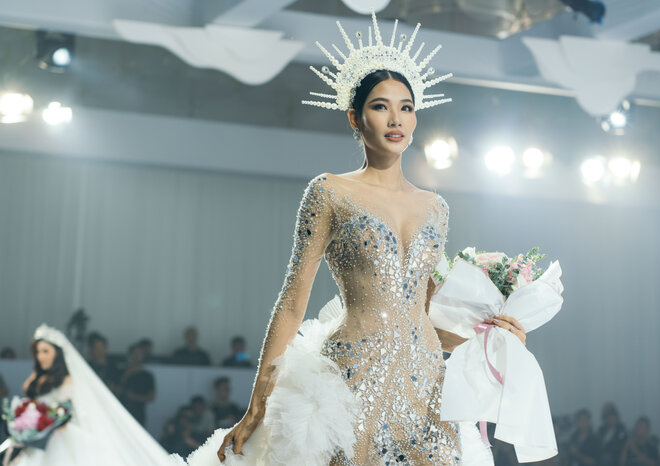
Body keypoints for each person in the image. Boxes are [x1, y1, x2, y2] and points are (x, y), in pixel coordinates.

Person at [188, 11, 527, 466]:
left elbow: (422, 313)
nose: (396, 118)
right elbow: (292, 303)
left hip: (427, 382)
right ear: (355, 117)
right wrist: (257, 405)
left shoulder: (436, 207)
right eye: (380, 106)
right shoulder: (329, 192)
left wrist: (492, 342)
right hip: (352, 377)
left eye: (406, 107)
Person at [7, 325, 172, 466]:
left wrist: (45, 422)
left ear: (57, 353)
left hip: (60, 437)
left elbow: (69, 410)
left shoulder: (68, 379)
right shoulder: (38, 379)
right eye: (37, 351)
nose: (40, 356)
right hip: (40, 439)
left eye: (45, 351)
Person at [118, 343, 155, 426]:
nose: (136, 356)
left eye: (139, 353)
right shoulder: (121, 372)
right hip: (122, 412)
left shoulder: (147, 376)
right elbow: (116, 390)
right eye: (134, 354)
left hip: (139, 414)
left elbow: (151, 397)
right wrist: (126, 374)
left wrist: (134, 397)